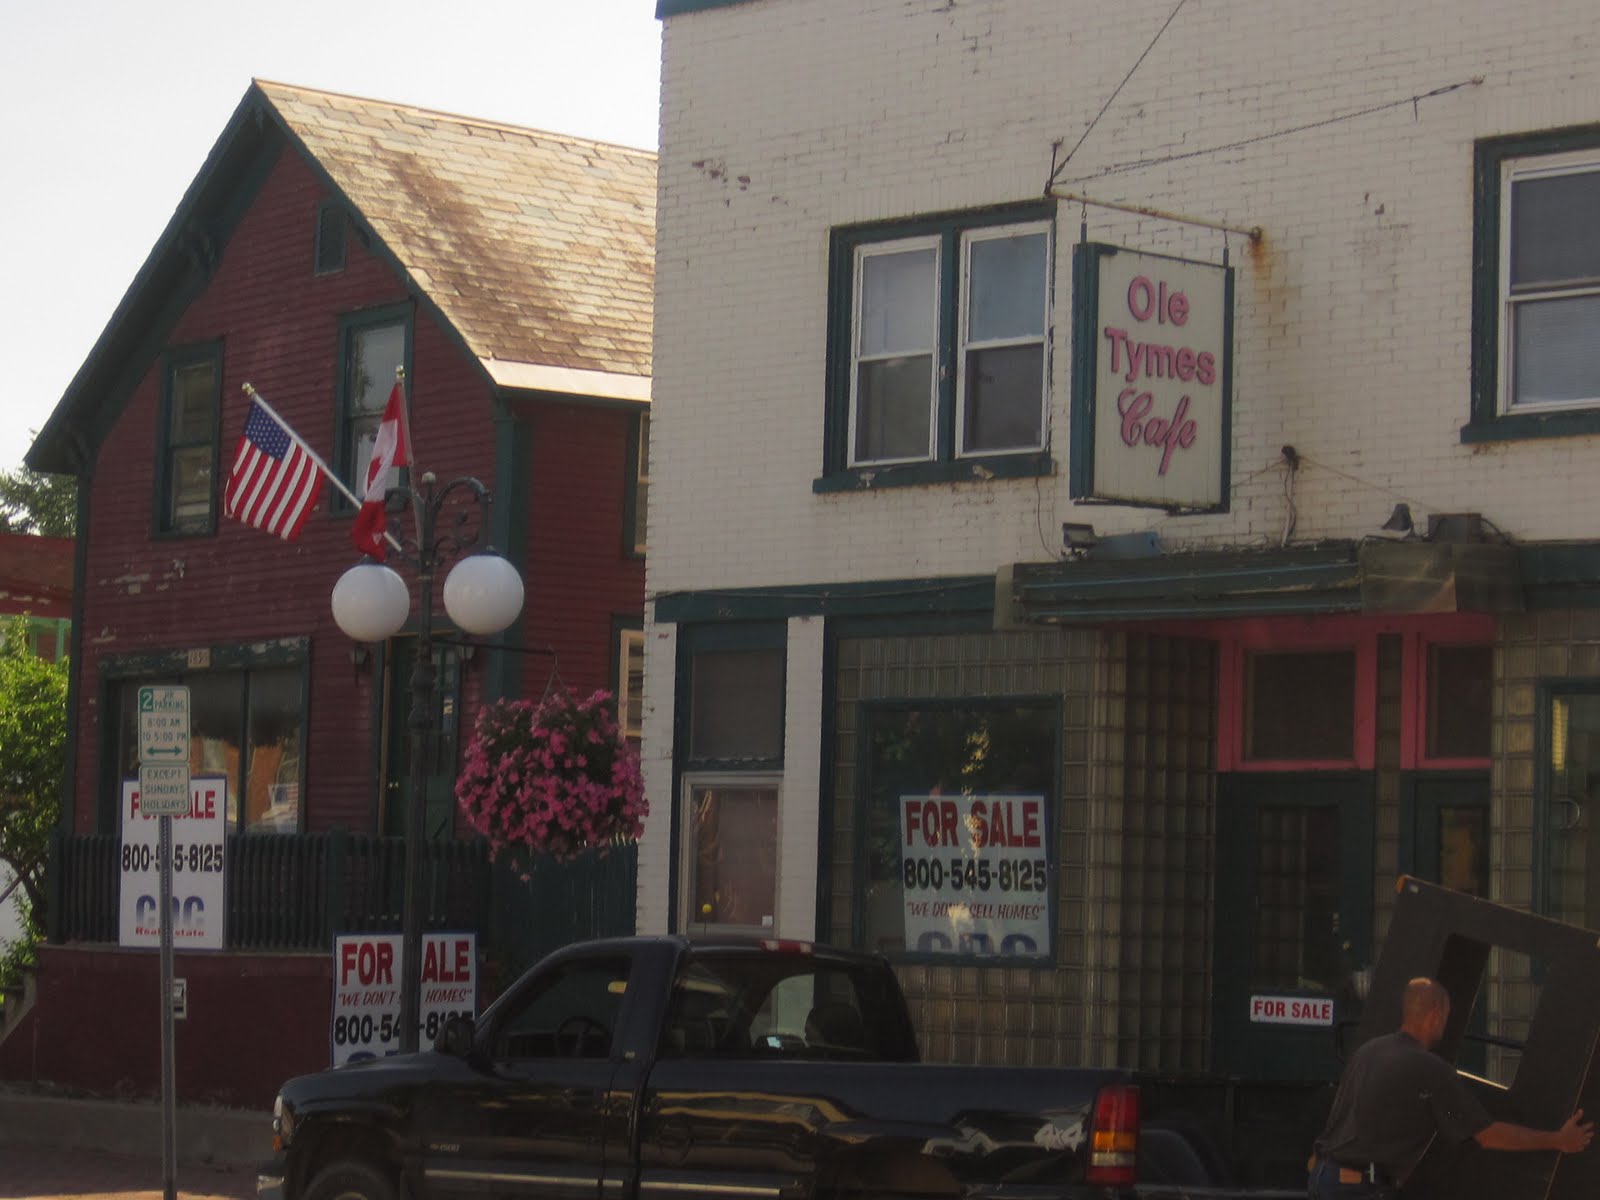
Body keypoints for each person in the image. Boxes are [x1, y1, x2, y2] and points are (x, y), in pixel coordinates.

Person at [1307, 976, 1593, 1198]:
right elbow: (1488, 1135)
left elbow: (1337, 1120)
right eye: (1446, 1015)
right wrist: (1558, 1140)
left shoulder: (1369, 1051)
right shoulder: (1429, 1068)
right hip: (1360, 1190)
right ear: (1435, 1015)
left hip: (1324, 1178)